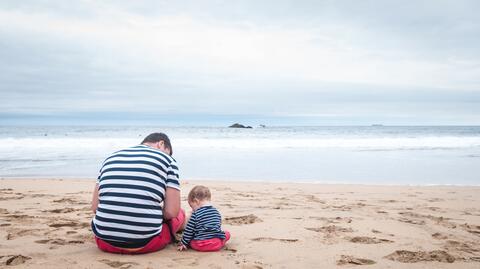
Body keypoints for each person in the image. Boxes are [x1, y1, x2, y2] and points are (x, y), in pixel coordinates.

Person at [90, 132, 185, 254]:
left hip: (104, 241)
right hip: (145, 243)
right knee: (179, 215)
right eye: (168, 152)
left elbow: (95, 207)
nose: (168, 156)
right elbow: (171, 212)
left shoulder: (110, 158)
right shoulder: (168, 161)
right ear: (161, 144)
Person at [178, 185, 230, 252]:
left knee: (191, 240)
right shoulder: (216, 212)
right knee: (227, 234)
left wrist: (183, 243)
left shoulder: (195, 214)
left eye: (192, 206)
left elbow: (189, 230)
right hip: (216, 244)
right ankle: (220, 244)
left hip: (200, 245)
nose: (192, 209)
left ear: (196, 201)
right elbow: (217, 228)